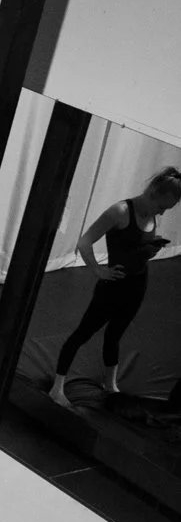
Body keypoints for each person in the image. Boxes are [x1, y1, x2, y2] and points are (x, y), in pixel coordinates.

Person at [47, 167, 181, 407]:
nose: (162, 212)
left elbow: (134, 247)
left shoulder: (152, 215)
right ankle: (57, 388)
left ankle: (110, 385)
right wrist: (98, 270)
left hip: (137, 284)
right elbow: (85, 242)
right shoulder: (119, 211)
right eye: (162, 207)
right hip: (113, 286)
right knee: (83, 333)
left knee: (115, 335)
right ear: (153, 193)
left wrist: (149, 250)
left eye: (166, 209)